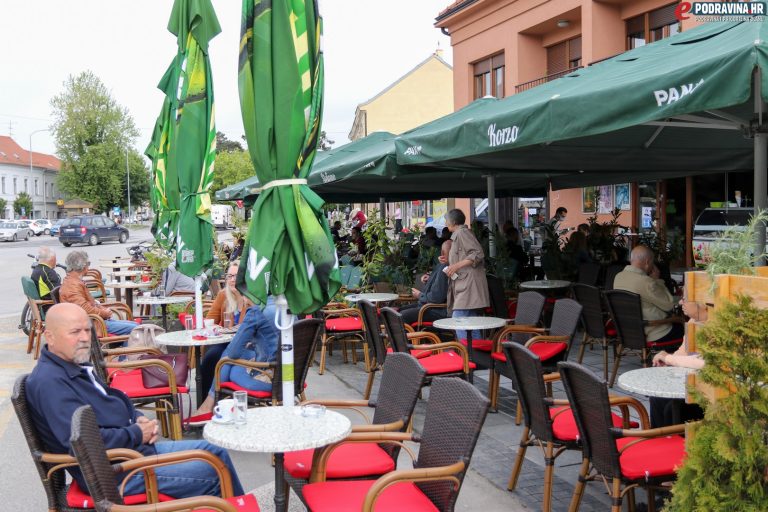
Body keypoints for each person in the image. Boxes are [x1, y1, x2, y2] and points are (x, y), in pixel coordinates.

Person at [25, 303, 244, 498]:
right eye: (75, 332)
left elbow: (111, 400)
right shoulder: (50, 382)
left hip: (131, 456)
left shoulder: (71, 366)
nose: (84, 337)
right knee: (214, 470)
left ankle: (239, 506)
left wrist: (138, 419)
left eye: (87, 330)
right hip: (117, 475)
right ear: (50, 336)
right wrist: (137, 433)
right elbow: (83, 442)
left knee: (215, 452)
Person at [189, 298, 279, 423]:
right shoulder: (288, 308)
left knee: (227, 358)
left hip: (268, 381)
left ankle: (208, 405)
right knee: (233, 357)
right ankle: (209, 404)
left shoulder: (257, 311)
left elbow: (233, 352)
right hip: (292, 378)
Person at [198, 262, 252, 399]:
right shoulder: (223, 295)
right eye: (230, 276)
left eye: (237, 276)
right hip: (225, 341)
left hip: (248, 344)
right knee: (210, 358)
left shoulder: (252, 298)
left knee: (222, 359)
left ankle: (218, 397)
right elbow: (210, 320)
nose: (233, 279)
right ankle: (206, 399)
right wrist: (215, 327)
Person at [613, 245, 684, 344]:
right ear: (647, 262)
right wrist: (658, 280)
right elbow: (669, 305)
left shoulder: (618, 277)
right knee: (688, 329)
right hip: (654, 333)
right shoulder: (647, 282)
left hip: (628, 331)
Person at [60, 251, 138, 335]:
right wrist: (104, 313)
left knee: (135, 325)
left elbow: (88, 305)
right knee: (137, 328)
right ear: (83, 266)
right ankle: (126, 347)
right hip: (93, 325)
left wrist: (102, 310)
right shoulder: (72, 285)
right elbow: (85, 309)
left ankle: (125, 346)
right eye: (88, 263)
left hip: (94, 321)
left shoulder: (73, 281)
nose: (88, 267)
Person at [444, 209, 490, 341]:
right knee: (469, 321)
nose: (446, 223)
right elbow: (465, 256)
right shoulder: (459, 234)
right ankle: (476, 353)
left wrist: (455, 266)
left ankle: (467, 353)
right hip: (465, 284)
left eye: (446, 220)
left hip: (468, 284)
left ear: (453, 221)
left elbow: (478, 253)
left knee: (458, 319)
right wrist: (448, 261)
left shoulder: (463, 232)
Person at [399, 240, 452, 325]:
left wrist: (419, 295)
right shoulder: (445, 266)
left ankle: (409, 338)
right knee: (399, 311)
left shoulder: (445, 268)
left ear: (442, 252)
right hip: (429, 307)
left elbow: (436, 298)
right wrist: (430, 278)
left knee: (401, 315)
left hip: (436, 311)